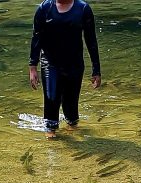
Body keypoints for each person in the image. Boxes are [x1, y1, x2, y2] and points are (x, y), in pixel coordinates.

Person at [28, 0, 101, 138]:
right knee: (51, 100)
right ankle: (51, 140)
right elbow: (37, 38)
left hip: (74, 65)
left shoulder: (83, 9)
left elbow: (91, 41)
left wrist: (96, 69)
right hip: (50, 64)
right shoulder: (45, 8)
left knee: (71, 109)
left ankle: (71, 134)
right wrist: (33, 67)